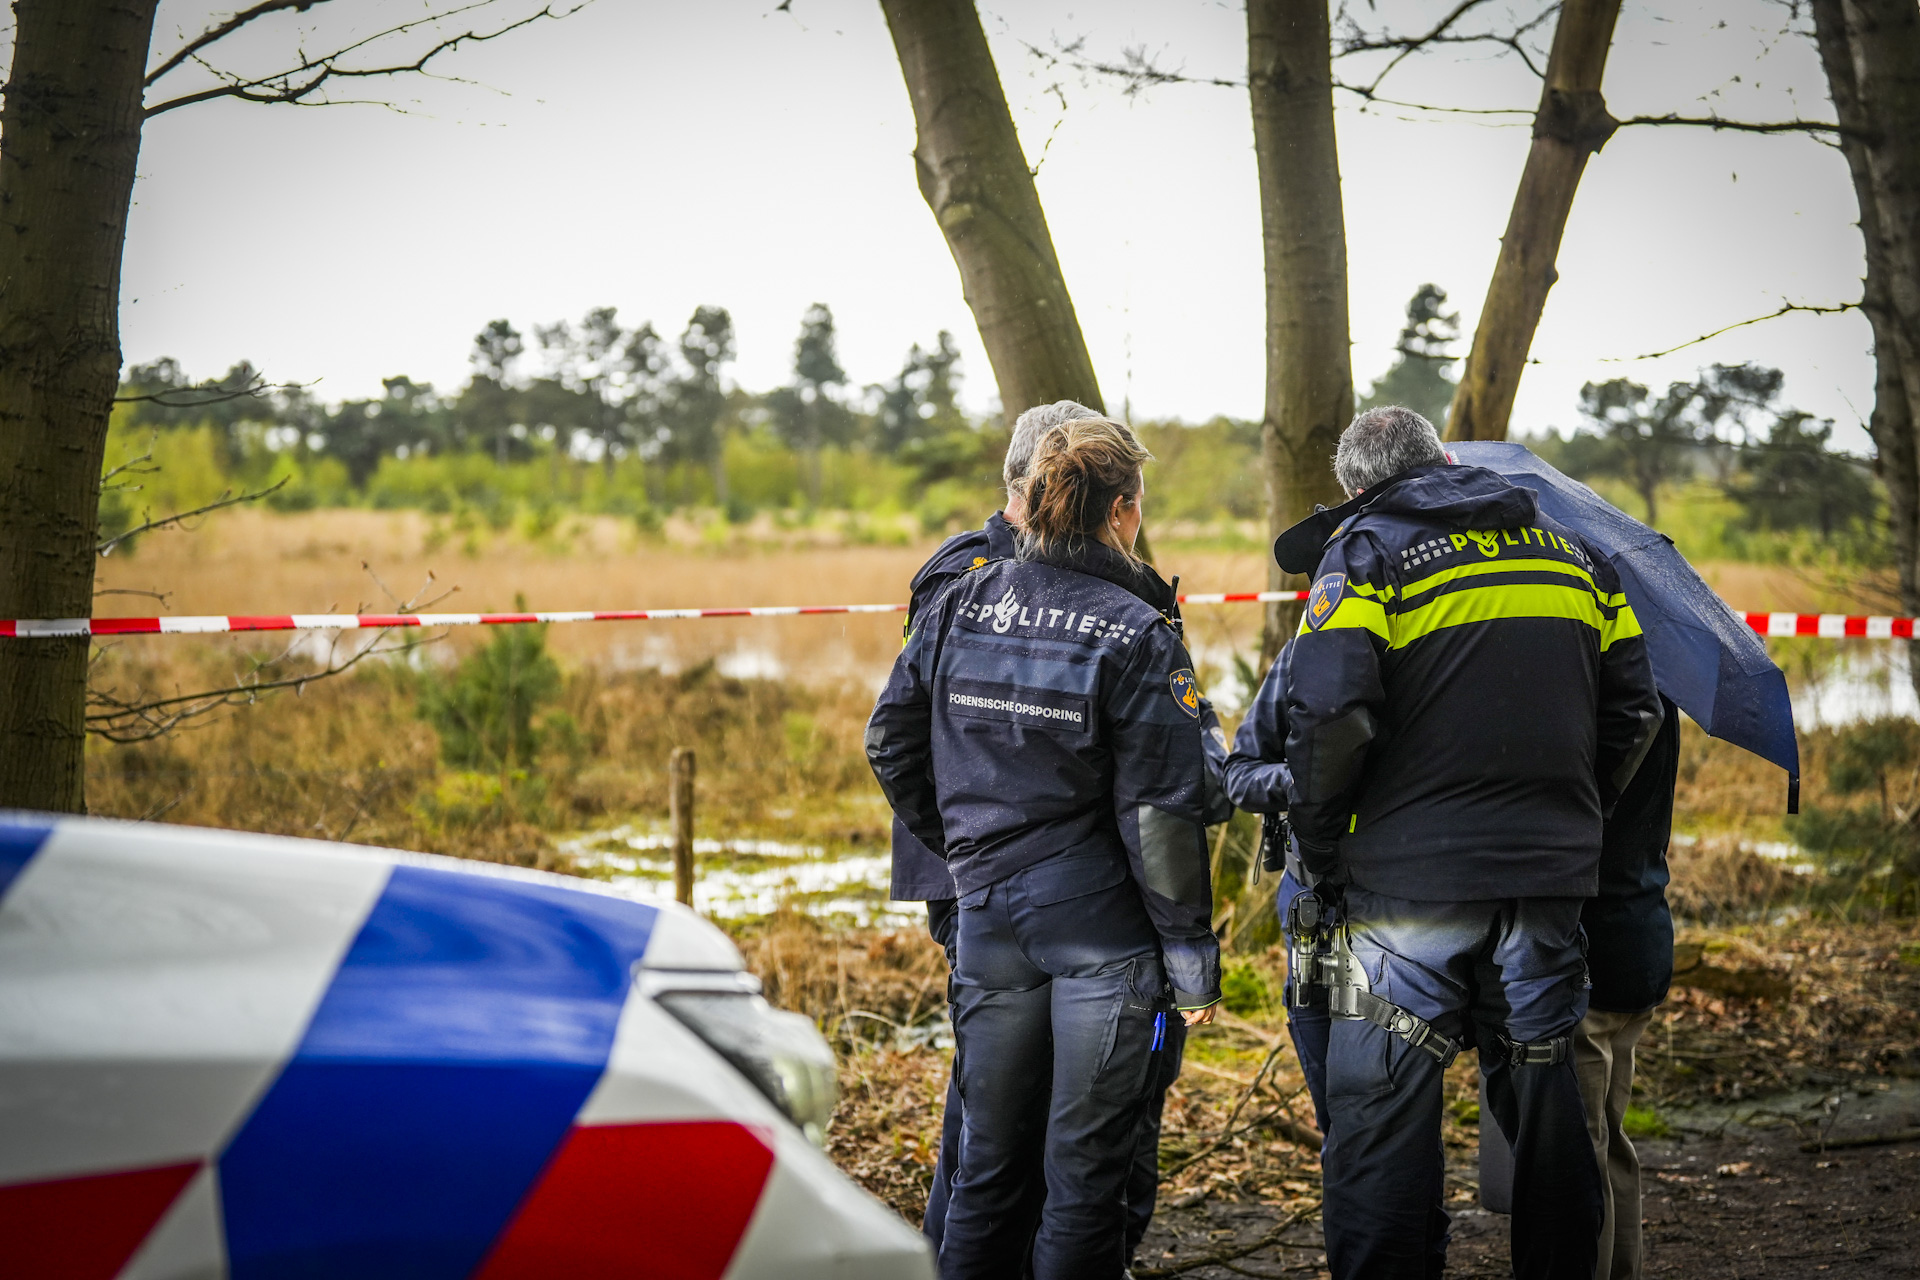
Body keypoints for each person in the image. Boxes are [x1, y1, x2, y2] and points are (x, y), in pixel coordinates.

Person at [1282, 406, 1663, 1280]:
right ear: (1446, 460)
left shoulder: (1367, 555)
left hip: (1403, 894)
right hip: (1547, 891)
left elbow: (1331, 715)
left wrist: (1320, 840)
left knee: (1379, 1124)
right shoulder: (1578, 558)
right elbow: (1635, 711)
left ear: (1356, 490)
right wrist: (1574, 819)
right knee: (1549, 1119)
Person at [867, 416, 1224, 1279]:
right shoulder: (1138, 629)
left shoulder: (960, 600)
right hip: (1101, 934)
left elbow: (890, 743)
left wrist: (963, 847)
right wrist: (1190, 957)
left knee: (986, 1165)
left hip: (987, 917)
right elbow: (1164, 812)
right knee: (1083, 1179)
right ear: (1124, 511)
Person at [901, 400, 1098, 1254]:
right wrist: (961, 847)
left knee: (1019, 1099)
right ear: (1026, 486)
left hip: (1046, 880)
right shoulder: (967, 576)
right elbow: (905, 737)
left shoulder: (1068, 570)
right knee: (987, 1107)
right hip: (977, 875)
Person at [1576, 692, 1680, 1280]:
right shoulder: (1661, 702)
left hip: (1598, 950)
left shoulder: (1608, 713)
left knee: (1584, 1144)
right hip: (1643, 932)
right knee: (1611, 1137)